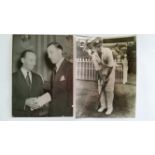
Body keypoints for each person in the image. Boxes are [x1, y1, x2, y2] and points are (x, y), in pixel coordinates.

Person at [12, 50, 47, 117]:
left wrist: (41, 102)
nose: (34, 63)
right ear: (22, 60)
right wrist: (25, 102)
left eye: (35, 60)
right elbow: (6, 100)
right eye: (31, 60)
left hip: (35, 117)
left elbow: (41, 96)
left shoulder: (38, 78)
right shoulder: (12, 78)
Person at [47, 42, 73, 116]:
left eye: (51, 52)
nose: (49, 56)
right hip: (53, 112)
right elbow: (54, 92)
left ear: (59, 52)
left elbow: (72, 94)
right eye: (48, 53)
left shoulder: (70, 67)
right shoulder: (54, 70)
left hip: (64, 113)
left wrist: (66, 115)